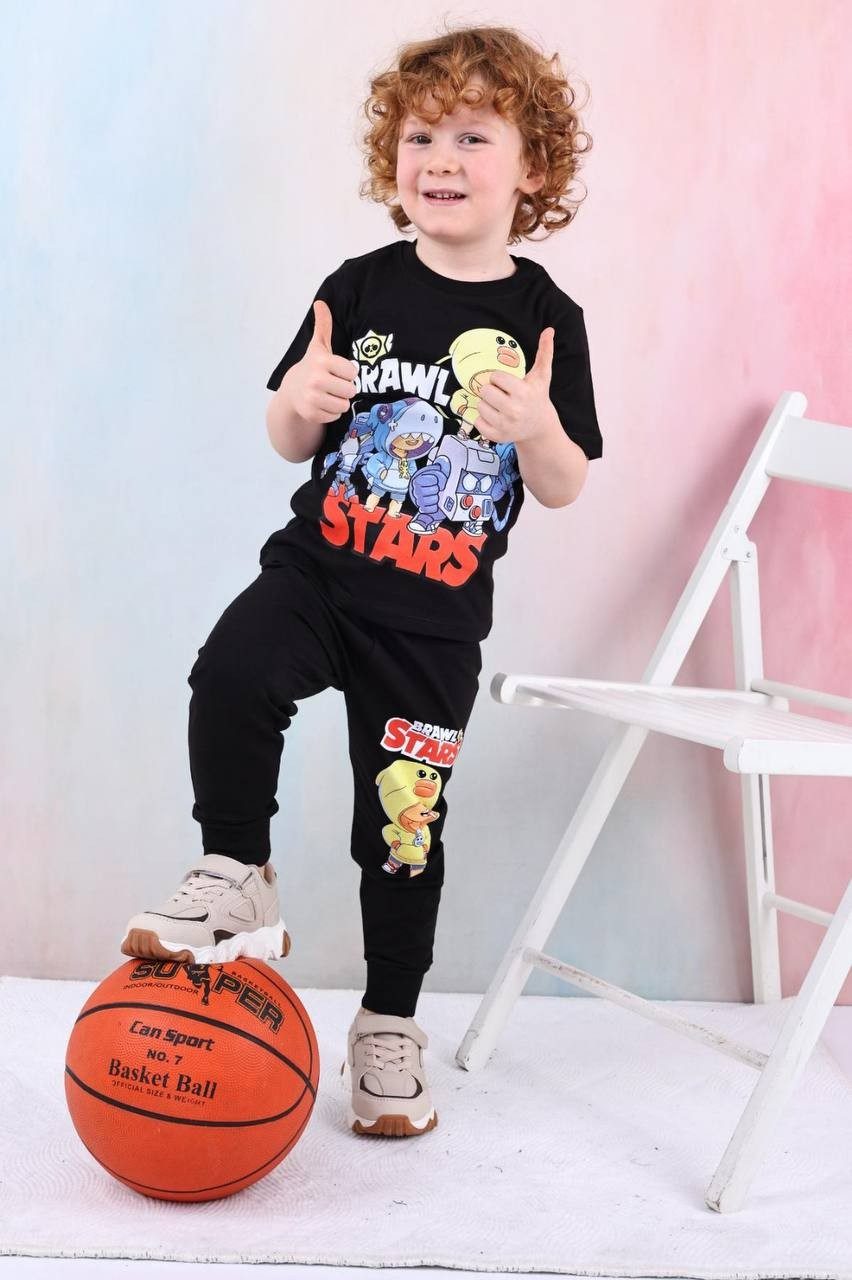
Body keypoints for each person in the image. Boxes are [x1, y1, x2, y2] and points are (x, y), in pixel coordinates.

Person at [120, 22, 603, 1138]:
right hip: (320, 577)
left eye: (472, 136)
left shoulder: (546, 322)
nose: (440, 157)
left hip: (431, 621)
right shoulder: (359, 287)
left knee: (403, 833)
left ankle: (388, 1021)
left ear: (532, 168)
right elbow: (288, 435)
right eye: (420, 135)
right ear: (394, 159)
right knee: (230, 673)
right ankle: (236, 866)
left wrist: (537, 429)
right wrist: (299, 399)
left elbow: (566, 483)